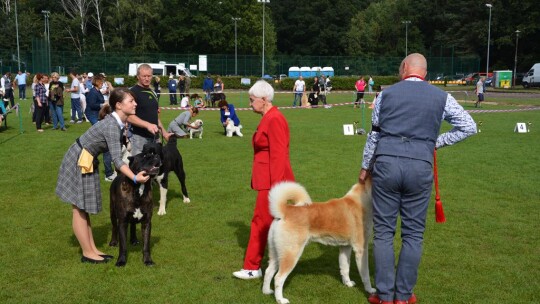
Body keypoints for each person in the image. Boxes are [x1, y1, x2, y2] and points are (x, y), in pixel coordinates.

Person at [359, 53, 476, 304]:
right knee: (412, 234)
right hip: (420, 167)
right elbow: (469, 126)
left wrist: (364, 166)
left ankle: (384, 295)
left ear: (404, 68)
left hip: (387, 165)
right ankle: (403, 296)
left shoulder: (385, 95)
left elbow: (374, 134)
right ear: (425, 73)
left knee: (384, 233)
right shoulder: (442, 96)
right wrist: (434, 143)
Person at [56, 88, 150, 264]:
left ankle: (92, 249)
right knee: (78, 207)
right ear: (119, 105)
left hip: (87, 160)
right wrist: (136, 178)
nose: (135, 103)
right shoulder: (111, 126)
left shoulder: (116, 123)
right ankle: (87, 252)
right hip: (79, 159)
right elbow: (117, 161)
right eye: (131, 101)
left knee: (83, 207)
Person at [232, 80, 295, 280]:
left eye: (252, 100)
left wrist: (276, 190)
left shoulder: (274, 118)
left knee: (260, 223)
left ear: (264, 99)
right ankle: (264, 265)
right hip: (266, 179)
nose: (250, 104)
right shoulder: (270, 117)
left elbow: (279, 156)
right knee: (266, 224)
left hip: (271, 182)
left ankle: (252, 267)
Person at [128, 64, 172, 156]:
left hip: (155, 138)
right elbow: (128, 117)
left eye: (149, 76)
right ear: (138, 77)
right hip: (139, 138)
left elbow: (155, 116)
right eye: (144, 76)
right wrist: (147, 125)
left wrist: (164, 132)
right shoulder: (132, 92)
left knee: (155, 168)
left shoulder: (153, 93)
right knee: (139, 168)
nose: (147, 79)